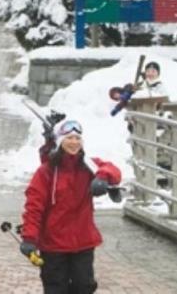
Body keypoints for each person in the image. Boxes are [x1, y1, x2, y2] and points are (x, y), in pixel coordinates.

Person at [19, 119, 122, 294]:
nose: (74, 142)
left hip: (82, 242)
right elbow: (34, 207)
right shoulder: (46, 171)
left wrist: (103, 176)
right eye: (69, 138)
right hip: (53, 244)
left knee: (84, 287)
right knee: (55, 288)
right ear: (60, 142)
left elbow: (113, 170)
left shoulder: (88, 166)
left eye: (77, 138)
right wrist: (29, 238)